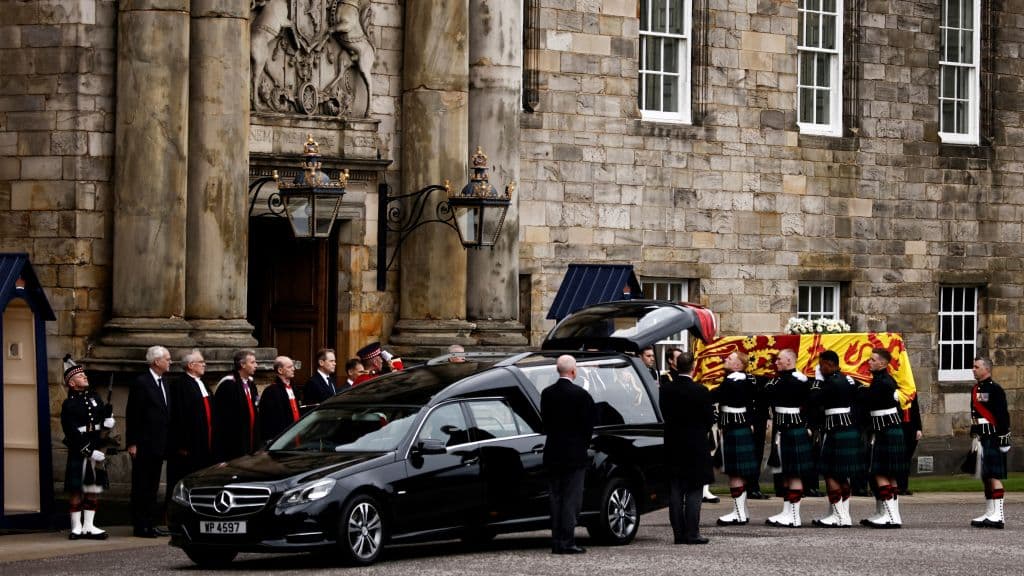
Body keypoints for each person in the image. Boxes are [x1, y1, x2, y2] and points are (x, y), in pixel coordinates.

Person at [541, 354, 595, 555]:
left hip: (553, 451)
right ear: (573, 371)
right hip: (574, 454)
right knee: (571, 500)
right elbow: (588, 426)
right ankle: (567, 540)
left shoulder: (547, 393)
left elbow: (545, 422)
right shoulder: (581, 395)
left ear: (558, 370)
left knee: (555, 498)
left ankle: (557, 540)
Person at [661, 352, 715, 544]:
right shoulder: (701, 391)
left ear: (676, 366)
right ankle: (692, 533)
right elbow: (709, 419)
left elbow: (663, 414)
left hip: (673, 444)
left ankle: (678, 534)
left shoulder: (666, 390)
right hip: (695, 445)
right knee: (693, 491)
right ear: (693, 367)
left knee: (675, 492)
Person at [808, 350, 863, 527]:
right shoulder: (848, 379)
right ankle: (843, 514)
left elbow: (814, 399)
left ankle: (839, 515)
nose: (819, 367)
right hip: (849, 427)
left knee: (829, 471)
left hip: (837, 429)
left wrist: (817, 381)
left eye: (821, 364)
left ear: (829, 364)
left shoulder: (832, 382)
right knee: (842, 474)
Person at [61, 361, 115, 540]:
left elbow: (101, 422)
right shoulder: (69, 404)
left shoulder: (95, 398)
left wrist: (108, 421)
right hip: (80, 448)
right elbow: (70, 431)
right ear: (71, 383)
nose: (84, 376)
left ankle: (89, 526)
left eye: (84, 374)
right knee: (77, 489)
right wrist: (88, 451)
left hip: (96, 445)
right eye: (80, 376)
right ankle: (76, 527)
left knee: (93, 487)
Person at [126, 345, 172, 538]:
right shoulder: (141, 383)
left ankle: (150, 522)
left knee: (153, 485)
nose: (170, 362)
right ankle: (140, 524)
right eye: (167, 359)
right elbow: (133, 414)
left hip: (159, 443)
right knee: (141, 485)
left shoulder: (164, 383)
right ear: (156, 361)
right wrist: (132, 443)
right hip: (144, 443)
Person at [764, 348, 813, 527]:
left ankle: (794, 515)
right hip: (783, 429)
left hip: (793, 429)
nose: (776, 362)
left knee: (794, 473)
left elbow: (809, 403)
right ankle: (786, 511)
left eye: (779, 359)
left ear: (789, 361)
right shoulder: (783, 380)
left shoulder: (797, 381)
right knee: (786, 472)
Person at [712, 351, 761, 526]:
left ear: (739, 365)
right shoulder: (743, 380)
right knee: (737, 471)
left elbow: (714, 396)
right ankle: (741, 510)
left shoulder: (733, 381)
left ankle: (739, 513)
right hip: (738, 427)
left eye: (730, 358)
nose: (725, 359)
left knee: (735, 472)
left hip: (735, 428)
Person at [859, 348, 907, 528]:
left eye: (872, 360)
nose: (869, 362)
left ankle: (891, 516)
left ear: (883, 363)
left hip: (887, 430)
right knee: (889, 474)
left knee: (879, 472)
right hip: (888, 429)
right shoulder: (883, 380)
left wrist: (857, 388)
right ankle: (891, 514)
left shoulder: (882, 382)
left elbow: (868, 400)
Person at [166, 350, 216, 511]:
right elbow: (179, 416)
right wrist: (182, 444)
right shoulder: (180, 385)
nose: (204, 365)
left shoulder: (203, 383)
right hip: (188, 445)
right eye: (201, 362)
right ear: (190, 365)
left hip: (205, 442)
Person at [969, 356, 1012, 529]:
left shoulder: (996, 390)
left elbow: (1003, 415)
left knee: (994, 475)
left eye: (976, 366)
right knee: (986, 477)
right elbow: (975, 415)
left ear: (986, 369)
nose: (973, 369)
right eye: (973, 366)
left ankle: (999, 516)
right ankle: (990, 512)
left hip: (993, 437)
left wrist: (1003, 438)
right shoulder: (976, 388)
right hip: (982, 437)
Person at [213, 349, 259, 461]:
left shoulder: (251, 384)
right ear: (242, 364)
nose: (256, 365)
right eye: (252, 362)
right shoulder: (228, 384)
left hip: (251, 436)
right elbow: (223, 417)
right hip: (234, 440)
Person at [259, 356, 302, 441]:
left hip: (296, 434)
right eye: (289, 367)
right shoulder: (271, 391)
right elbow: (269, 419)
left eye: (293, 366)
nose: (293, 369)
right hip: (281, 437)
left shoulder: (294, 388)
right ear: (280, 370)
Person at [897, 394, 922, 495]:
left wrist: (919, 428)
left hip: (911, 427)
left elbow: (916, 410)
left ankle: (903, 486)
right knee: (899, 458)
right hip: (899, 426)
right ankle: (898, 486)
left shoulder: (912, 392)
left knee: (907, 458)